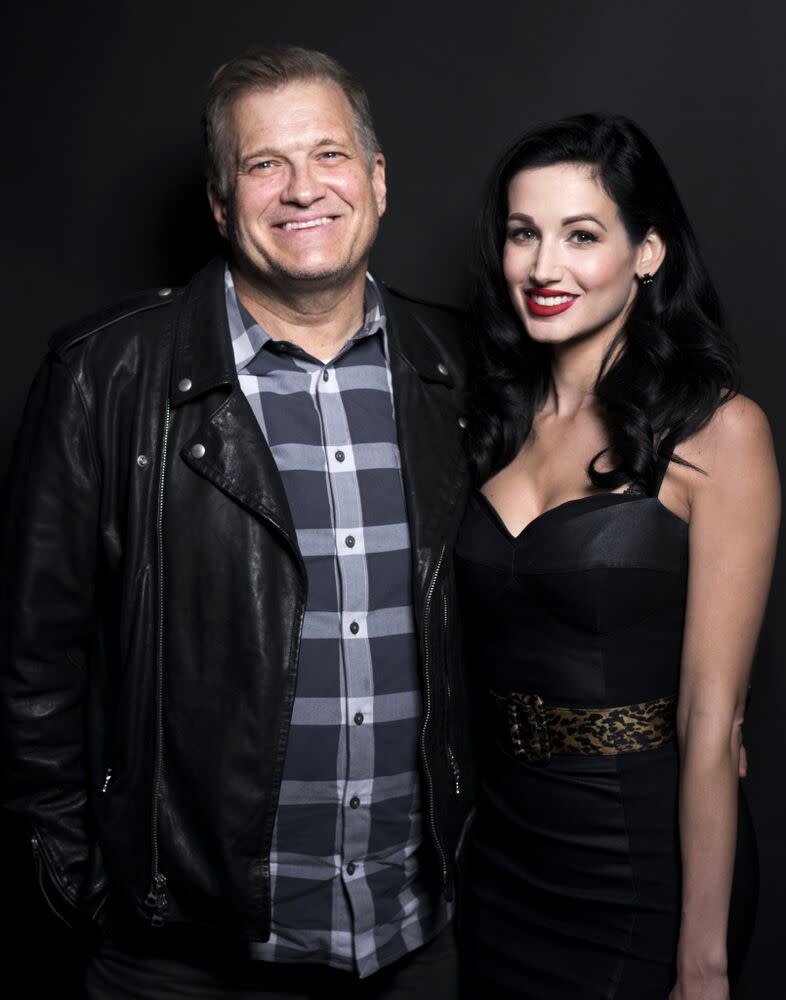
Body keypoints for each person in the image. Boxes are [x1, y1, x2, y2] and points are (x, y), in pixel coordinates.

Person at [0, 45, 474, 998]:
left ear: (376, 180)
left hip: (412, 949)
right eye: (265, 165)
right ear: (222, 203)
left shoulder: (460, 371)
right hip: (180, 965)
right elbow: (29, 667)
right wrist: (83, 888)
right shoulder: (105, 378)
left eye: (329, 155)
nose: (303, 189)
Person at [455, 113, 780, 999]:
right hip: (503, 860)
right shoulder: (488, 421)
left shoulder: (720, 432)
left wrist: (702, 964)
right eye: (524, 234)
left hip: (637, 868)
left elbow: (713, 725)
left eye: (582, 235)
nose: (544, 267)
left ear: (648, 253)